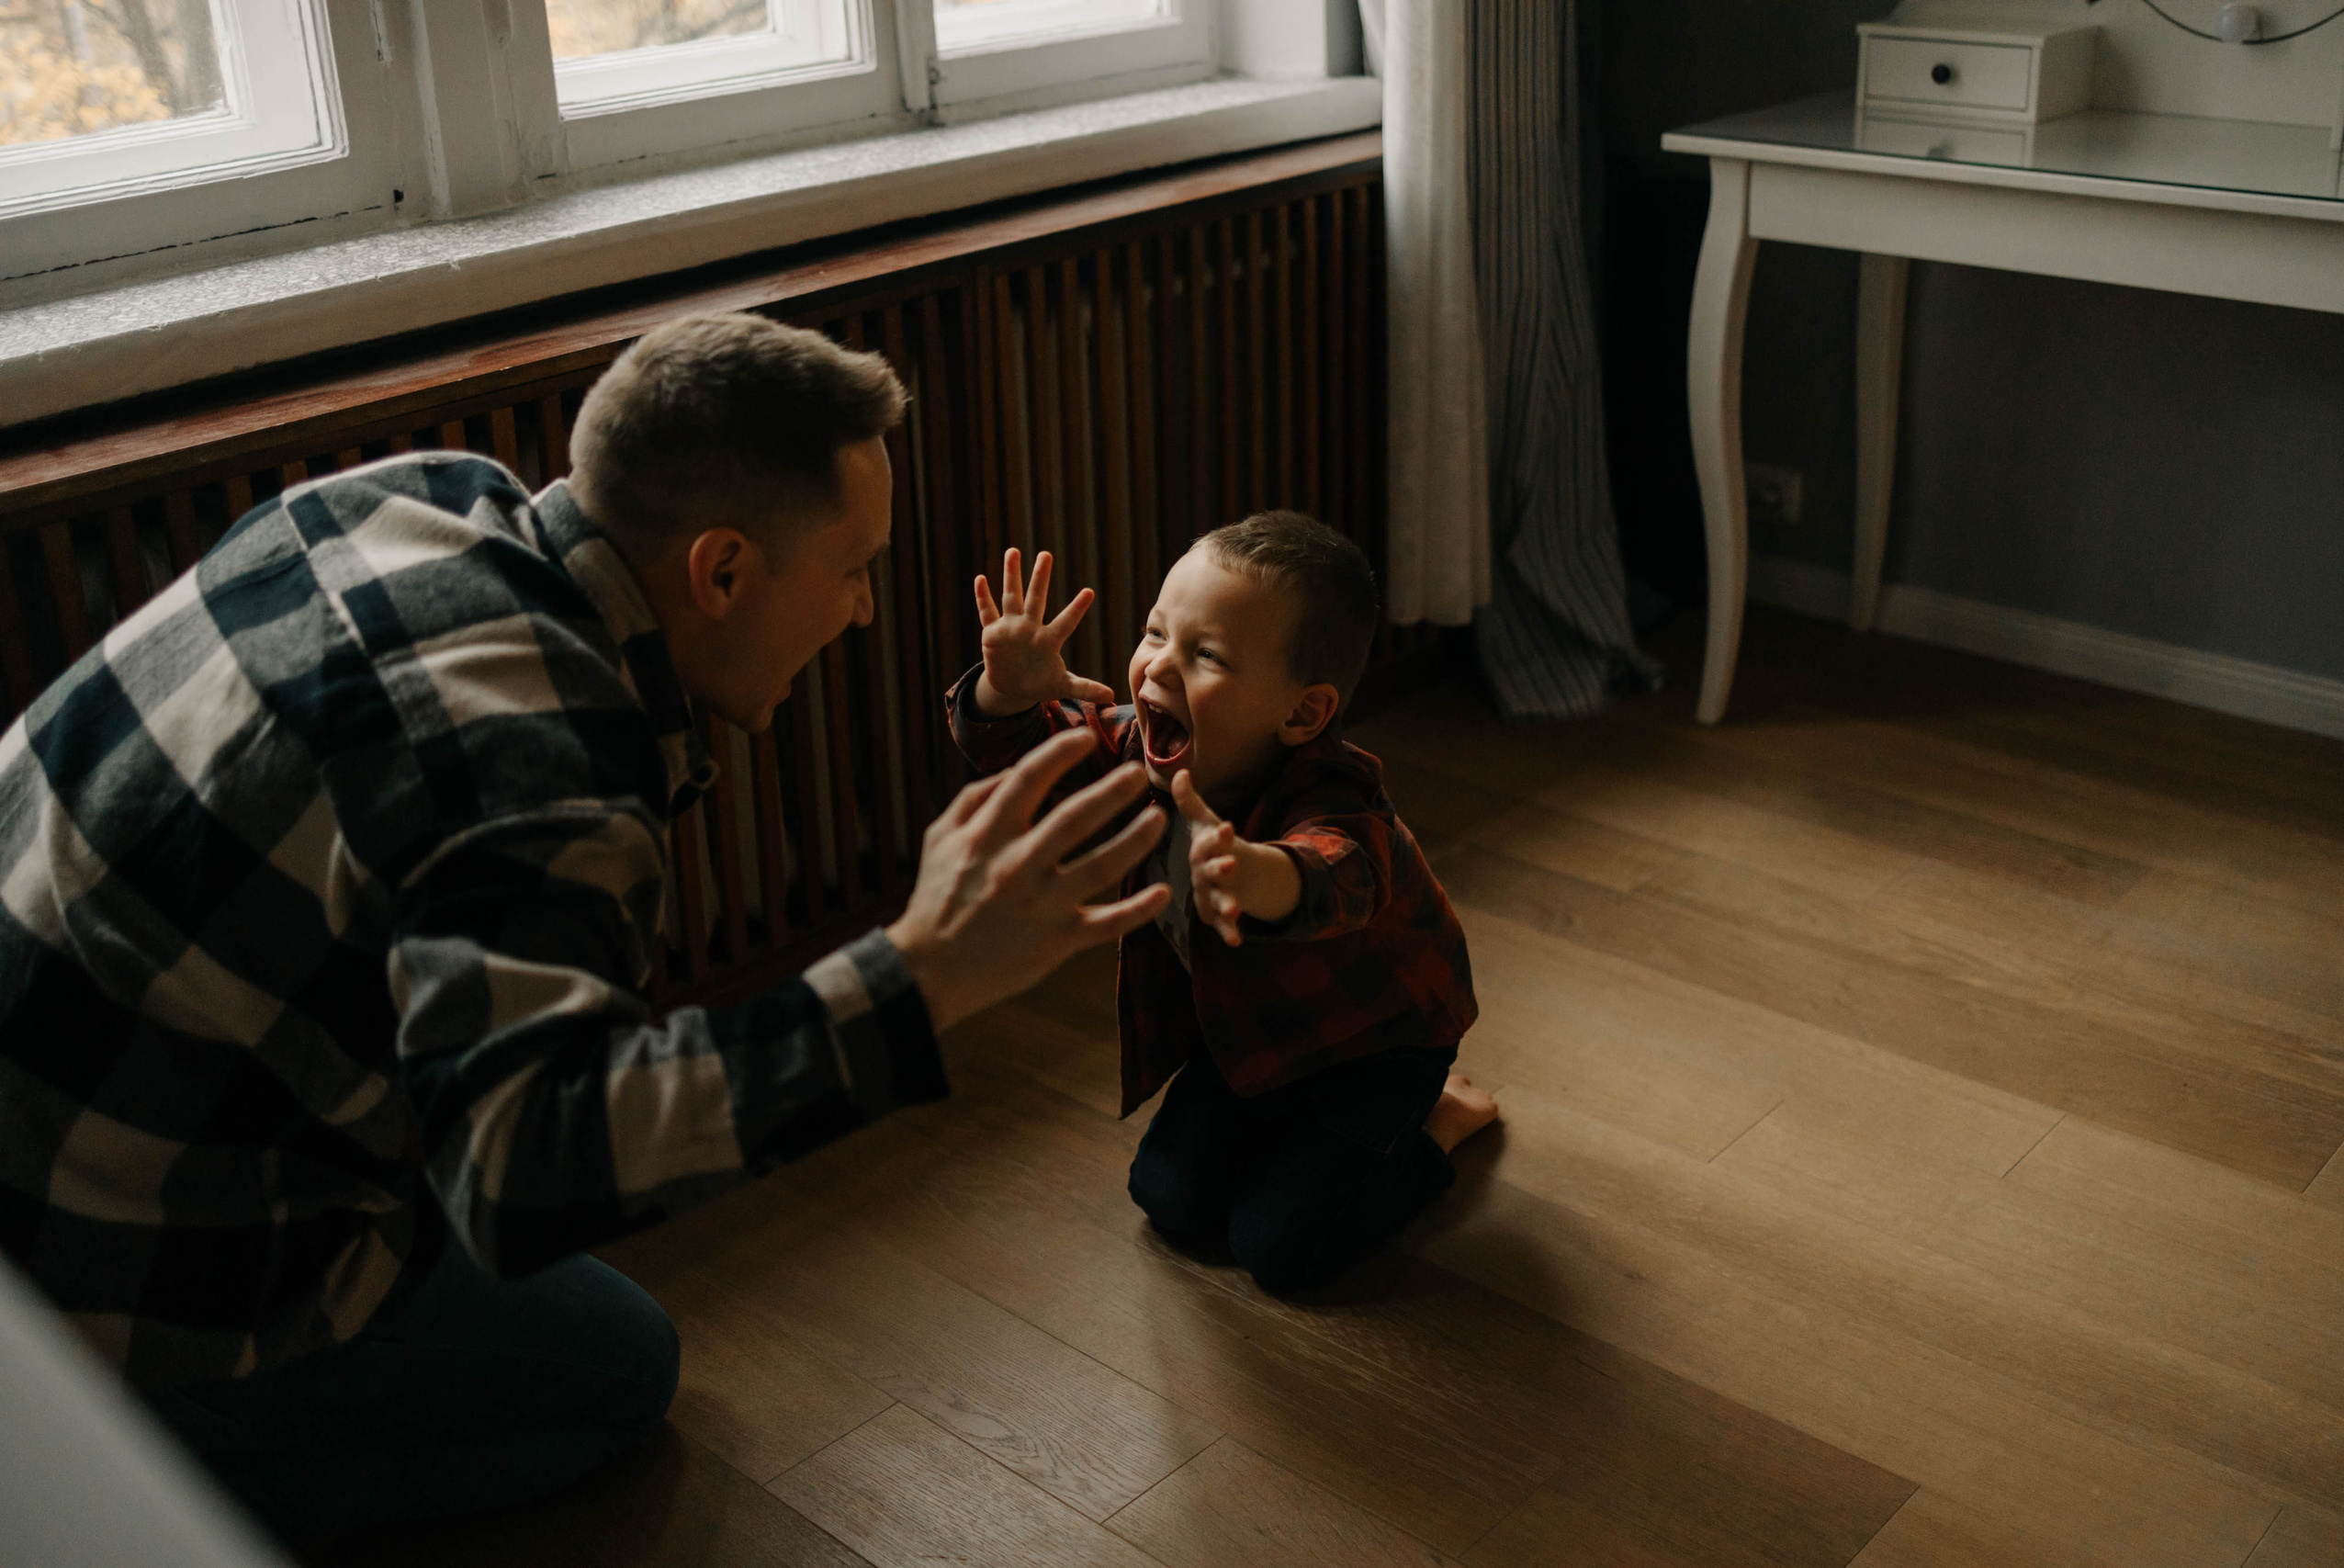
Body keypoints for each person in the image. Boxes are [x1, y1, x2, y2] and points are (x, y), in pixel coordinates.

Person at [0, 312, 1172, 1545]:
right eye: (853, 567)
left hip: (77, 1076)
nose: (866, 610)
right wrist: (917, 973)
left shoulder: (421, 495)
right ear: (722, 570)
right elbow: (522, 1172)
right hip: (83, 1266)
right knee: (620, 1369)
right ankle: (107, 1487)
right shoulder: (537, 759)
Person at [946, 513, 1498, 1295]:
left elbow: (1334, 875)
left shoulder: (1337, 796)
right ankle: (1317, 1143)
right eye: (1154, 632)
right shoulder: (1145, 743)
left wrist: (1252, 871)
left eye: (1204, 655)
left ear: (1302, 714)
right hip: (1253, 1032)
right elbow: (1031, 751)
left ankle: (1432, 1125)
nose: (1156, 669)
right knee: (1168, 1199)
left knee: (1282, 1250)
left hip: (1374, 1044)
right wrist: (1007, 692)